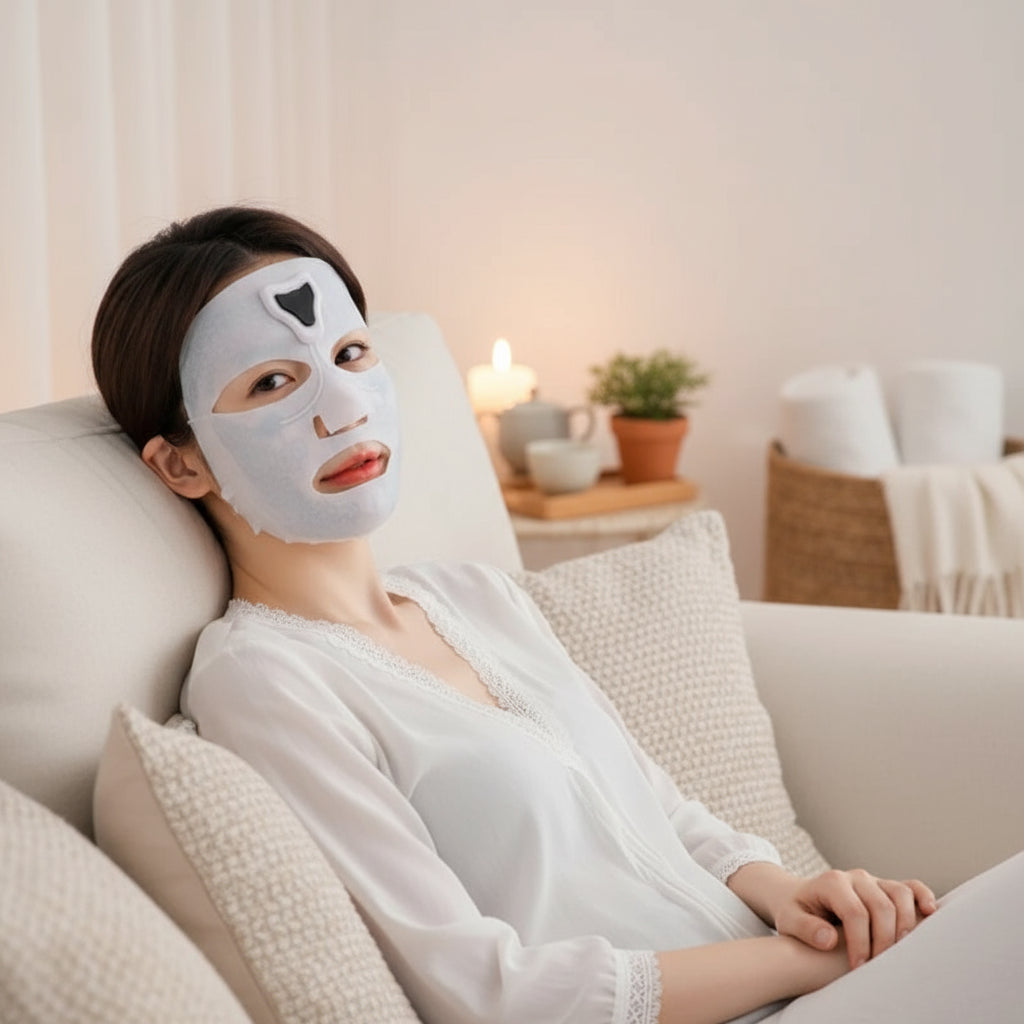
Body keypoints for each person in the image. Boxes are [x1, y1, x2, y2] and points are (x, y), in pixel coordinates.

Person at [92, 206, 1021, 1024]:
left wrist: (797, 894)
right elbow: (486, 995)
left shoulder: (472, 597)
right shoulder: (263, 681)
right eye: (270, 385)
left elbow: (658, 803)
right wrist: (809, 963)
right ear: (181, 465)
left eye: (348, 355)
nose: (339, 407)